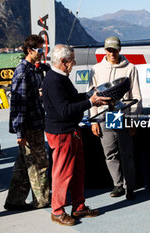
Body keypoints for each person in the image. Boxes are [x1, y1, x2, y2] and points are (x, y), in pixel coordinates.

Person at [43, 44, 111, 226]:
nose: (75, 62)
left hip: (71, 131)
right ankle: (57, 211)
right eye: (72, 59)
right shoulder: (54, 80)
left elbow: (71, 99)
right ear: (63, 62)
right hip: (62, 133)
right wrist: (90, 102)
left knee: (78, 171)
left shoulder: (60, 78)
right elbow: (65, 110)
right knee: (62, 173)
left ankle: (78, 206)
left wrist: (89, 95)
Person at [88, 36, 142, 200]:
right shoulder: (96, 69)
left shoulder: (130, 68)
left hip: (122, 115)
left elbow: (136, 95)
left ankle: (130, 186)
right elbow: (92, 96)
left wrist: (133, 119)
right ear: (105, 50)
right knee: (110, 152)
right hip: (105, 116)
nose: (112, 53)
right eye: (109, 50)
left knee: (127, 153)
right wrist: (93, 120)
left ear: (120, 49)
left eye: (115, 49)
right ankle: (118, 184)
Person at [4, 35, 50, 211]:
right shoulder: (23, 72)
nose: (41, 53)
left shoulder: (32, 70)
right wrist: (20, 132)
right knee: (39, 163)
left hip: (34, 123)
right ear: (30, 51)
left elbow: (27, 98)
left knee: (24, 164)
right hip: (30, 126)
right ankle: (42, 200)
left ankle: (15, 200)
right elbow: (18, 103)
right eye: (39, 49)